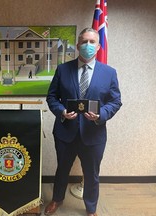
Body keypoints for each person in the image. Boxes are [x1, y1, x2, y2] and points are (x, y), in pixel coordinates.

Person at [45, 27, 122, 216]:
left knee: (92, 174)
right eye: (84, 42)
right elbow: (52, 97)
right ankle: (57, 199)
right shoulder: (63, 69)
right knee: (62, 169)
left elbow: (115, 101)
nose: (88, 45)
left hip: (94, 134)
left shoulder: (109, 73)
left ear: (98, 46)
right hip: (65, 132)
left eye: (92, 42)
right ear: (78, 45)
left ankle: (91, 209)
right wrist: (61, 111)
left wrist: (101, 115)